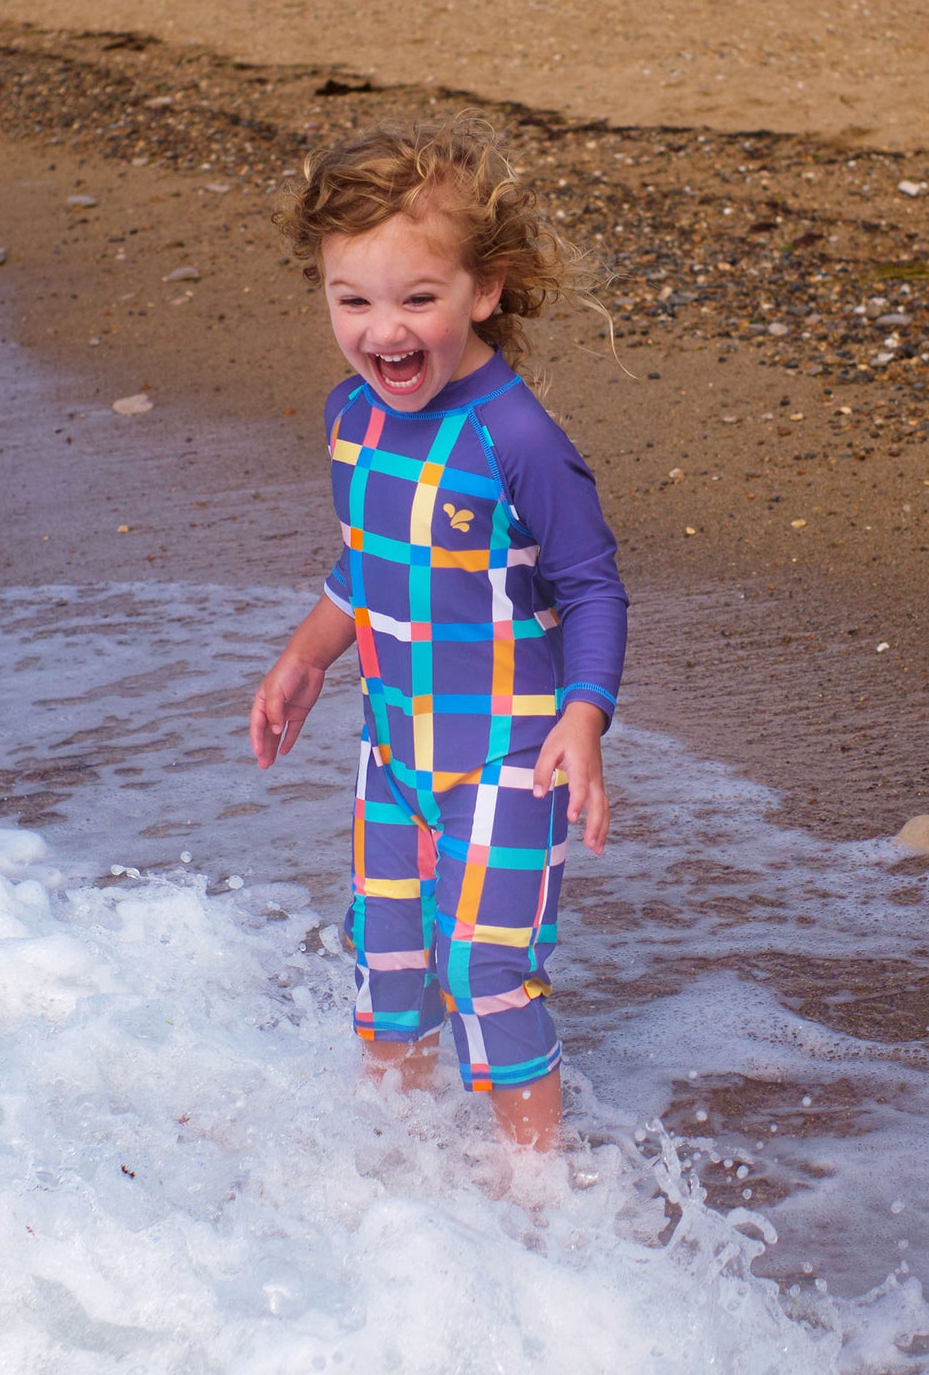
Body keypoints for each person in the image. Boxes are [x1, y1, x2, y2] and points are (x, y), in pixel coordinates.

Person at [249, 115, 627, 1152]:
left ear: (484, 291)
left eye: (418, 297)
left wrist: (584, 716)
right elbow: (372, 565)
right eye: (353, 299)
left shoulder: (516, 437)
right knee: (388, 961)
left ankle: (537, 1188)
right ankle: (395, 1164)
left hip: (512, 747)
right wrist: (307, 652)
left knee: (487, 969)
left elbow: (591, 587)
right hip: (395, 747)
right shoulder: (350, 416)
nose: (385, 329)